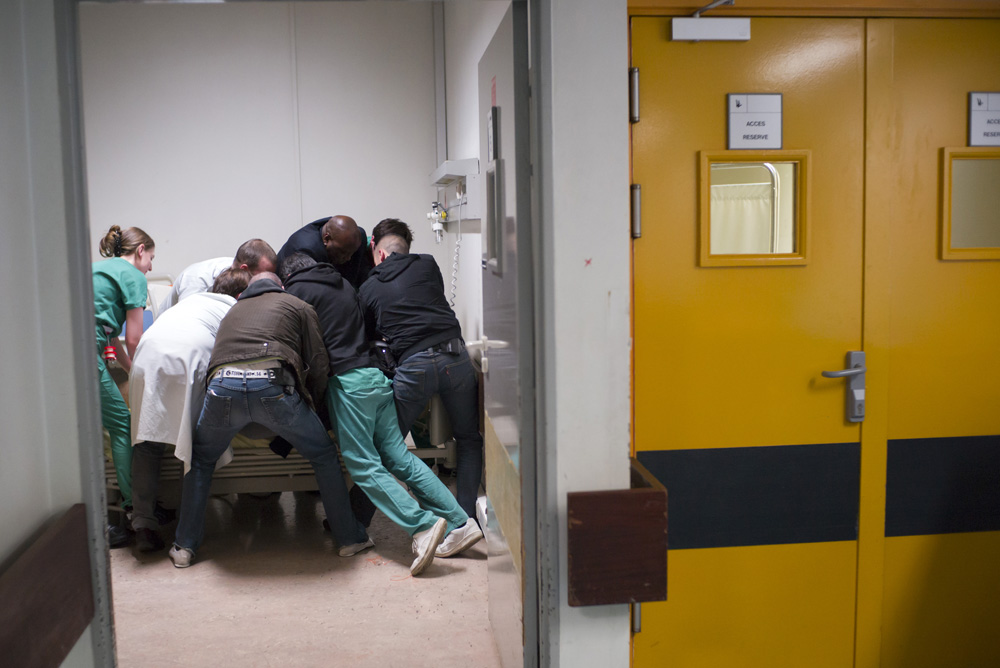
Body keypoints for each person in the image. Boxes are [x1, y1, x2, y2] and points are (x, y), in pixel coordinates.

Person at [281, 253, 482, 574]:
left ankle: (424, 525)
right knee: (398, 456)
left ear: (287, 274)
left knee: (364, 466)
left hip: (348, 384)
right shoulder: (345, 285)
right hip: (377, 376)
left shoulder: (296, 294)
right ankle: (461, 520)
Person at [169, 272, 369, 568]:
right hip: (272, 386)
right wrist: (317, 406)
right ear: (280, 287)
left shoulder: (231, 311)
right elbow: (318, 362)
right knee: (324, 455)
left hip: (222, 387)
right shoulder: (297, 305)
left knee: (200, 461)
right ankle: (349, 539)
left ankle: (184, 547)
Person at [360, 224, 484, 523]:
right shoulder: (427, 263)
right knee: (468, 439)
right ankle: (466, 517)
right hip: (455, 357)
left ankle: (357, 519)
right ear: (406, 249)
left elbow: (368, 330)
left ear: (379, 253)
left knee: (387, 448)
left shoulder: (368, 287)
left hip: (413, 366)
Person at [128, 268, 251, 552]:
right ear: (241, 294)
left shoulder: (191, 301)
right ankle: (187, 528)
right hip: (188, 357)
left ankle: (143, 524)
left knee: (147, 441)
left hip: (148, 354)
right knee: (194, 444)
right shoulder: (235, 309)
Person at [92, 224, 156, 547]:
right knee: (124, 424)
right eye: (151, 259)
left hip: (86, 343)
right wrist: (146, 377)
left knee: (119, 415)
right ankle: (136, 513)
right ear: (140, 251)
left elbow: (113, 347)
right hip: (89, 344)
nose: (150, 268)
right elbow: (134, 339)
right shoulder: (135, 276)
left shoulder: (98, 268)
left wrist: (130, 375)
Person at [157, 239, 277, 314]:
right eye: (262, 275)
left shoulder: (236, 270)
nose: (267, 281)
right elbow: (187, 320)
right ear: (244, 269)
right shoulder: (197, 279)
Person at [276, 215, 373, 291]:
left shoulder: (355, 240)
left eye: (352, 253)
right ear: (326, 239)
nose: (348, 258)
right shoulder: (304, 250)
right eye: (343, 252)